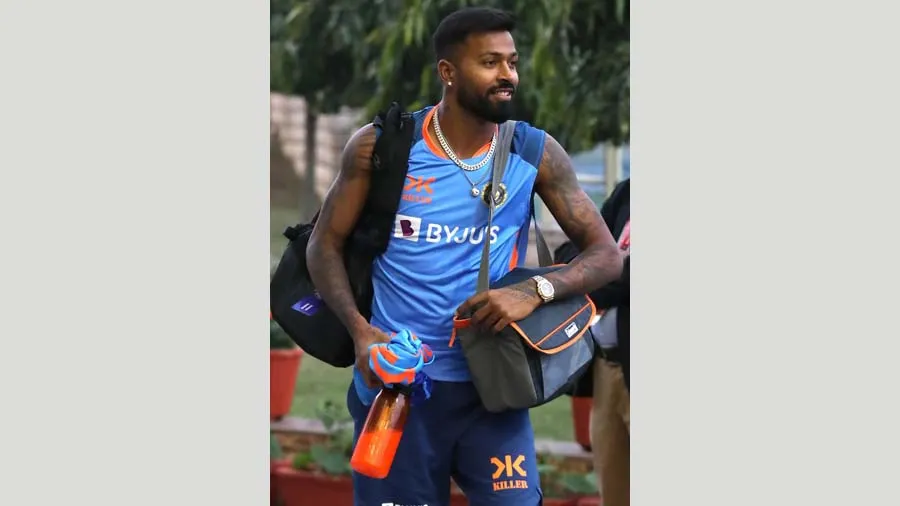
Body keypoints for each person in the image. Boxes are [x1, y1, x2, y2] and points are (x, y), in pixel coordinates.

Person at [306, 7, 624, 506]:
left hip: (492, 391)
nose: (507, 75)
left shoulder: (534, 152)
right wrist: (361, 331)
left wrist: (535, 290)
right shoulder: (382, 148)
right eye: (490, 62)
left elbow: (606, 255)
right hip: (398, 390)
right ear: (448, 72)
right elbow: (323, 245)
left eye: (512, 62)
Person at [555, 178, 630, 506]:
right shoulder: (628, 191)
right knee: (613, 488)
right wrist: (589, 269)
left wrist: (571, 281)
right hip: (607, 367)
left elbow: (625, 279)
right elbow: (570, 248)